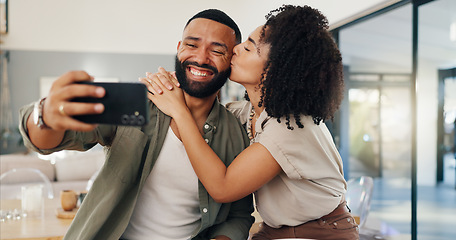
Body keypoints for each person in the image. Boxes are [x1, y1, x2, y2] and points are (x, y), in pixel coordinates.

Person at [18, 9, 254, 240]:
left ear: (230, 60)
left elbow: (239, 215)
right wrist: (45, 116)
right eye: (192, 45)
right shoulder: (138, 103)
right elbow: (51, 140)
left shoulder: (236, 132)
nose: (201, 58)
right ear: (179, 48)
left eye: (217, 50)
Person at [143, 5, 359, 240]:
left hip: (321, 232)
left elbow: (222, 187)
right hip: (275, 230)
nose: (235, 49)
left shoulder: (290, 128)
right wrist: (175, 87)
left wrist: (179, 111)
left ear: (273, 70)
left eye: (247, 48)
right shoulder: (250, 113)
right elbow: (210, 107)